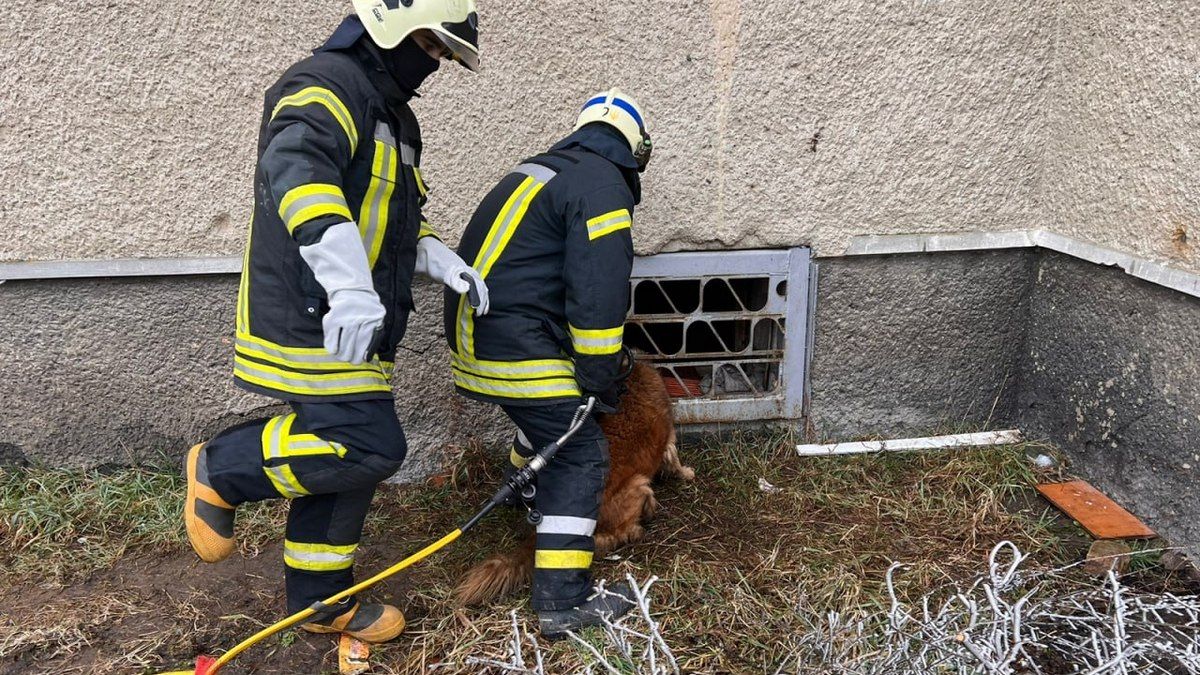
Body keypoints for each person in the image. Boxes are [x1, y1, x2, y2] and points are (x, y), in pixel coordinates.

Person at [183, 0, 488, 644]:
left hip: (361, 321)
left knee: (350, 457)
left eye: (442, 55)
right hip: (313, 313)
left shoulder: (394, 117)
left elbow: (396, 211)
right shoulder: (324, 85)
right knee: (368, 445)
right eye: (430, 47)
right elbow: (299, 174)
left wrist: (436, 256)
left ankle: (320, 603)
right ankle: (222, 468)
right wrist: (347, 283)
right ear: (390, 25)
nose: (431, 65)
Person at [443, 88, 653, 637]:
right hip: (515, 346)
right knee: (582, 453)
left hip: (479, 340)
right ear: (636, 150)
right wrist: (602, 372)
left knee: (546, 422)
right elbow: (598, 292)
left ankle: (528, 493)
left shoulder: (544, 171)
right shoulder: (604, 185)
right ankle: (563, 601)